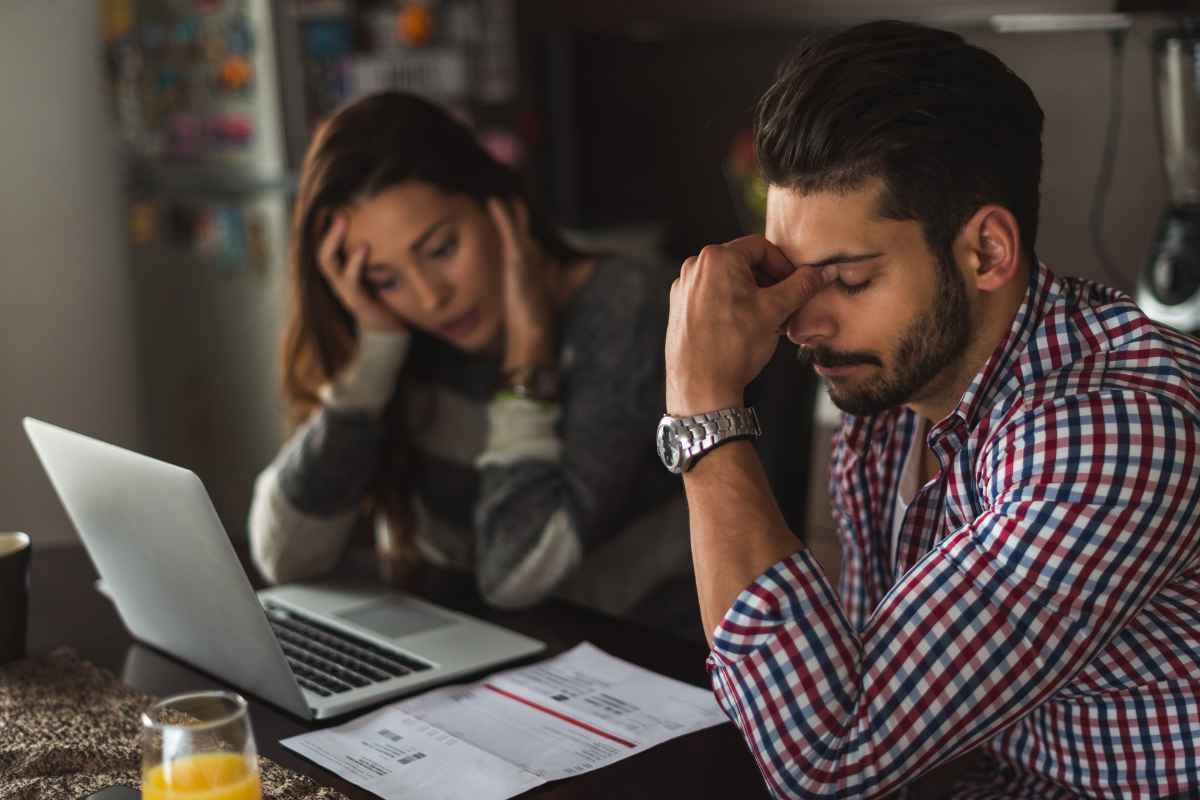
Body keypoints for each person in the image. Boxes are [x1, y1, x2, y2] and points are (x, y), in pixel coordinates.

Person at [661, 20, 1200, 799]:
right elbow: (858, 700)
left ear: (986, 252)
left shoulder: (1111, 433)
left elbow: (829, 755)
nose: (803, 325)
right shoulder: (885, 403)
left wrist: (704, 412)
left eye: (847, 280)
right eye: (795, 278)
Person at [249, 91, 690, 625]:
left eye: (440, 250)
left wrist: (528, 358)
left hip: (633, 665)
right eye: (385, 279)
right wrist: (372, 362)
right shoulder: (407, 337)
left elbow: (515, 573)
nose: (430, 297)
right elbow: (283, 555)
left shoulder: (626, 307)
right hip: (476, 656)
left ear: (499, 206)